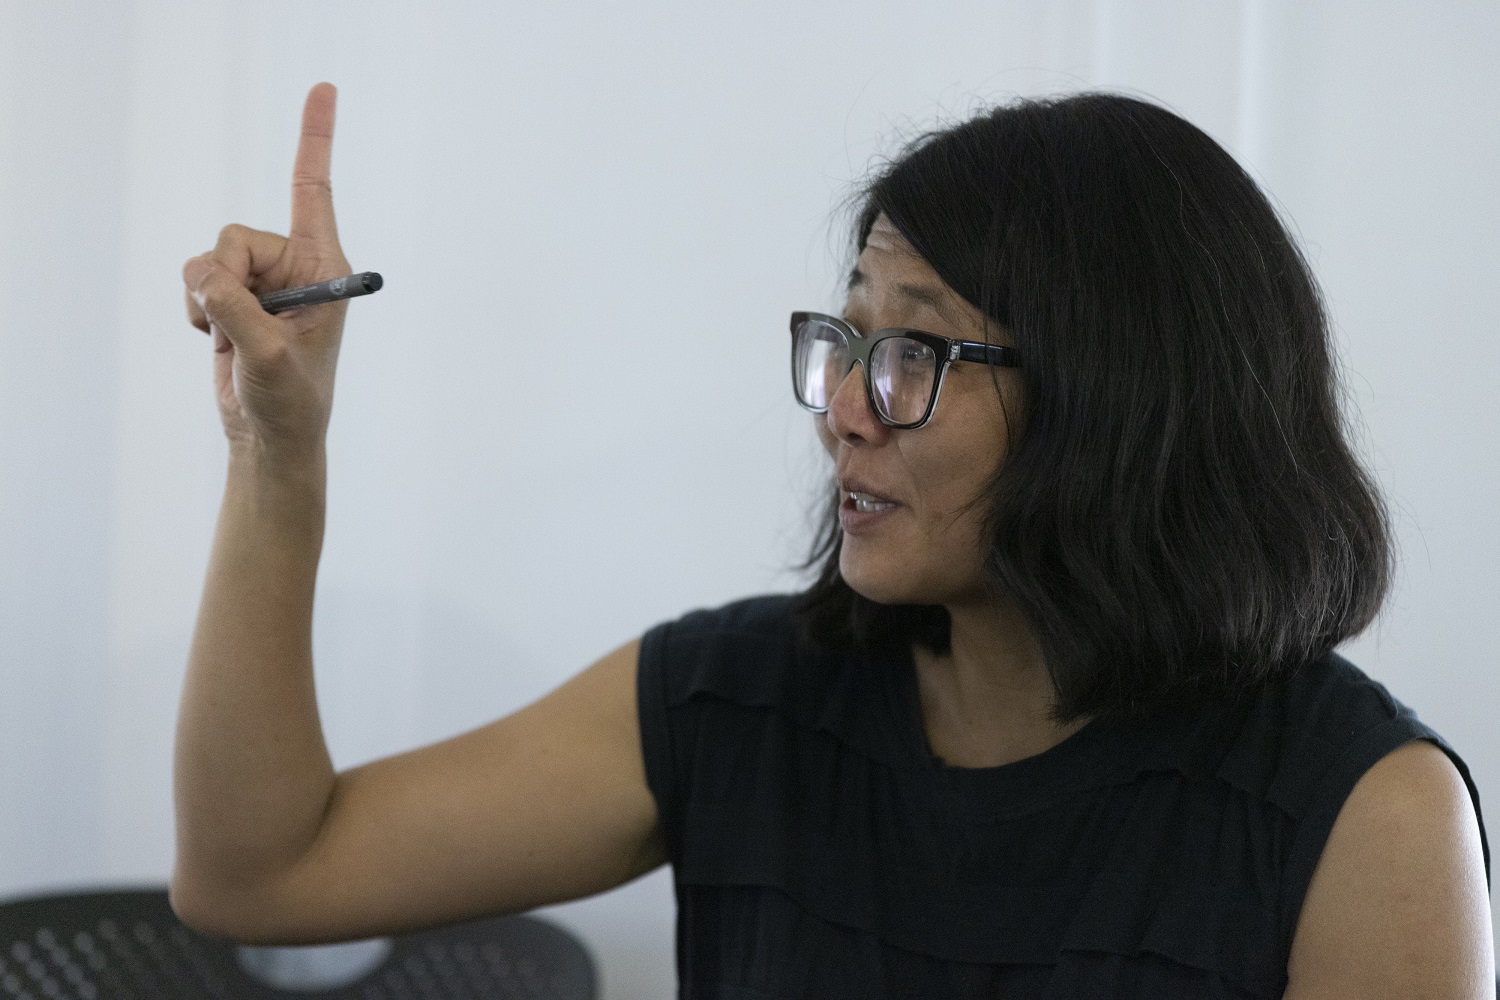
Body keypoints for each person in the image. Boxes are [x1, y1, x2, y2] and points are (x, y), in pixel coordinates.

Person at [172, 82, 1493, 998]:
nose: (846, 410)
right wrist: (279, 453)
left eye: (915, 350)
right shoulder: (740, 702)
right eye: (847, 340)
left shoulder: (1361, 813)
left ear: (1120, 399)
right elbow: (261, 874)